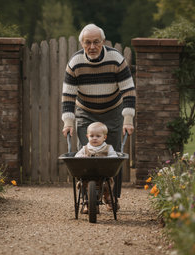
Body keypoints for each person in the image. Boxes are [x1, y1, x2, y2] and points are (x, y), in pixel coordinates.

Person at [61, 24, 136, 205]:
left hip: (113, 111)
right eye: (88, 42)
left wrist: (127, 119)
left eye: (96, 42)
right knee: (85, 154)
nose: (92, 47)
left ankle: (111, 195)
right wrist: (68, 122)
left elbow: (128, 91)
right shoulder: (75, 63)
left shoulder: (116, 59)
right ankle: (87, 198)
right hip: (85, 111)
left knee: (114, 155)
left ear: (103, 42)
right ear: (82, 43)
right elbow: (68, 95)